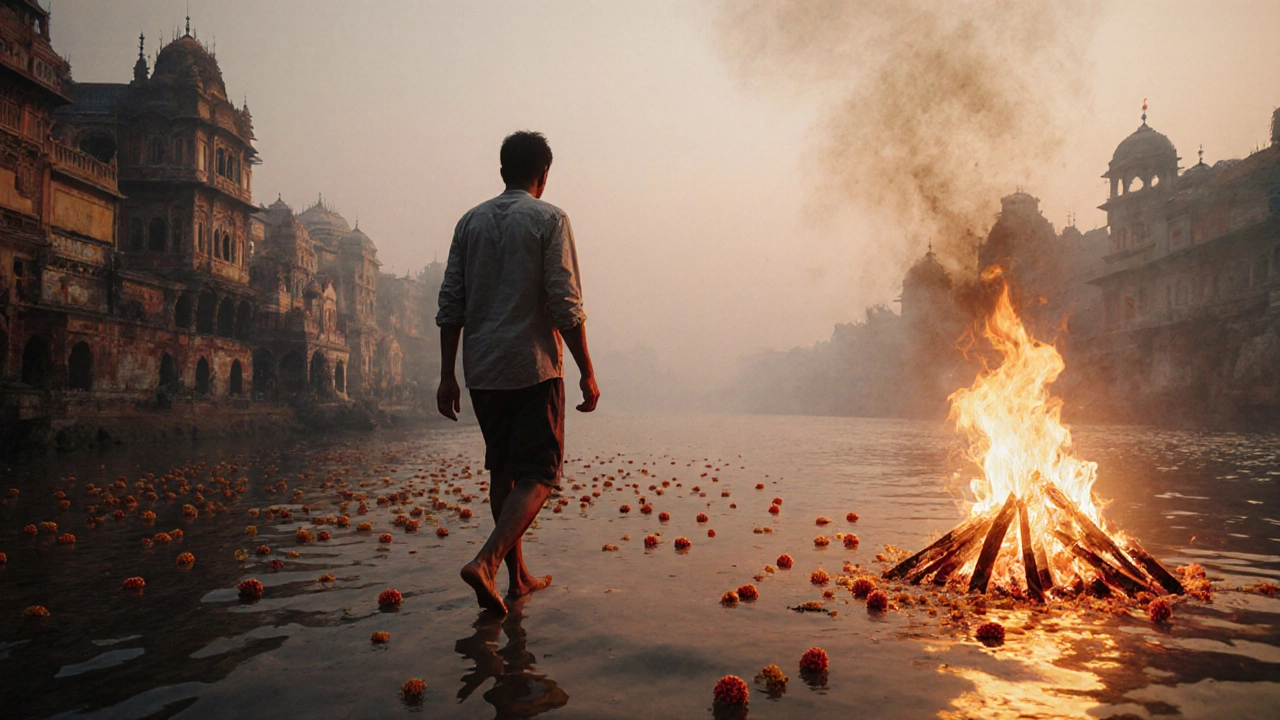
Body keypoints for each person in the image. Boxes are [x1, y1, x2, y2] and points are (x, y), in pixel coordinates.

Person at [436, 130, 600, 614]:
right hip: (532, 367)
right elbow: (564, 302)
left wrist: (447, 374)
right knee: (541, 474)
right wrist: (587, 370)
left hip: (482, 370)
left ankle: (517, 580)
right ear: (543, 175)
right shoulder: (550, 219)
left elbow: (451, 302)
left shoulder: (470, 223)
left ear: (503, 169)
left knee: (504, 471)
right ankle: (487, 563)